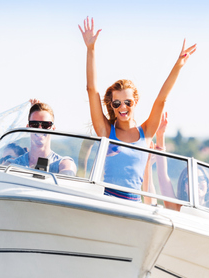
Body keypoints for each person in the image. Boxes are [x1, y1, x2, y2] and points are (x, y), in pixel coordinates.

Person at [79, 16, 196, 201]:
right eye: (116, 103)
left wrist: (178, 65)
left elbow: (161, 100)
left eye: (128, 102)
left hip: (135, 206)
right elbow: (91, 90)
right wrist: (90, 49)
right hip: (107, 202)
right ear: (112, 105)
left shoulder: (147, 132)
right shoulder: (105, 131)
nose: (122, 107)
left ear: (136, 101)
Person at [7, 101, 77, 175]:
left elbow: (67, 173)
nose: (39, 129)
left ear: (53, 128)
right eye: (34, 124)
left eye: (46, 125)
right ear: (27, 127)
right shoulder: (12, 165)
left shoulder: (64, 164)